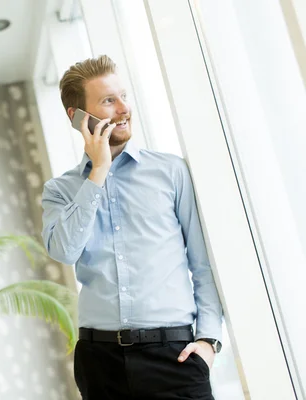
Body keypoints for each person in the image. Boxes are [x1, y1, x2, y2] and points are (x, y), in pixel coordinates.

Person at [41, 55, 223, 399]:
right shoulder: (61, 191)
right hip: (100, 362)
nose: (124, 108)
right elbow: (64, 251)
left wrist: (209, 340)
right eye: (109, 100)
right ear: (77, 117)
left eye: (124, 96)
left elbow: (203, 264)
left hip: (176, 357)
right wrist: (97, 173)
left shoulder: (171, 172)